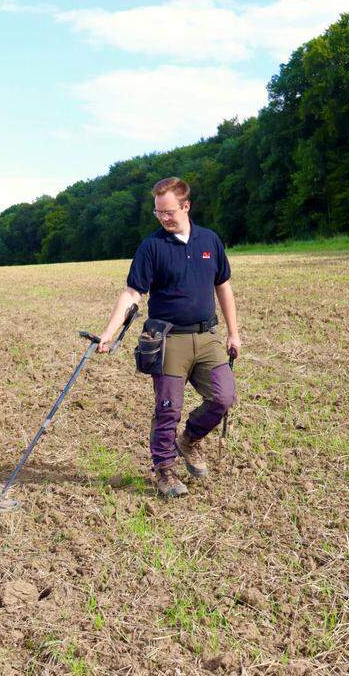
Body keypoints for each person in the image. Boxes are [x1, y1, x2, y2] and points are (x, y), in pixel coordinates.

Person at [96, 177, 241, 498]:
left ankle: (190, 439)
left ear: (186, 206)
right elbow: (132, 292)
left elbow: (223, 286)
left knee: (223, 397)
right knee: (168, 409)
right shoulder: (152, 247)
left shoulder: (209, 240)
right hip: (169, 339)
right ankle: (164, 469)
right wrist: (109, 332)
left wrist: (233, 332)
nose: (163, 218)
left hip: (207, 337)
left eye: (169, 212)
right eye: (158, 212)